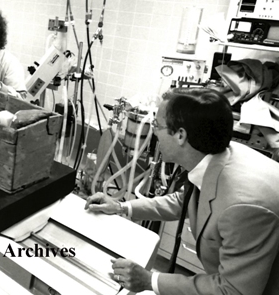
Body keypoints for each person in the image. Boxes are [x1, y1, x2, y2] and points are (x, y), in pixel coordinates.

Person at [85, 87, 279, 295]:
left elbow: (233, 291)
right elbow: (183, 200)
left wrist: (151, 280)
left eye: (156, 125)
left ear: (180, 135)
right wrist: (121, 206)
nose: (154, 132)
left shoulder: (241, 206)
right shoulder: (216, 157)